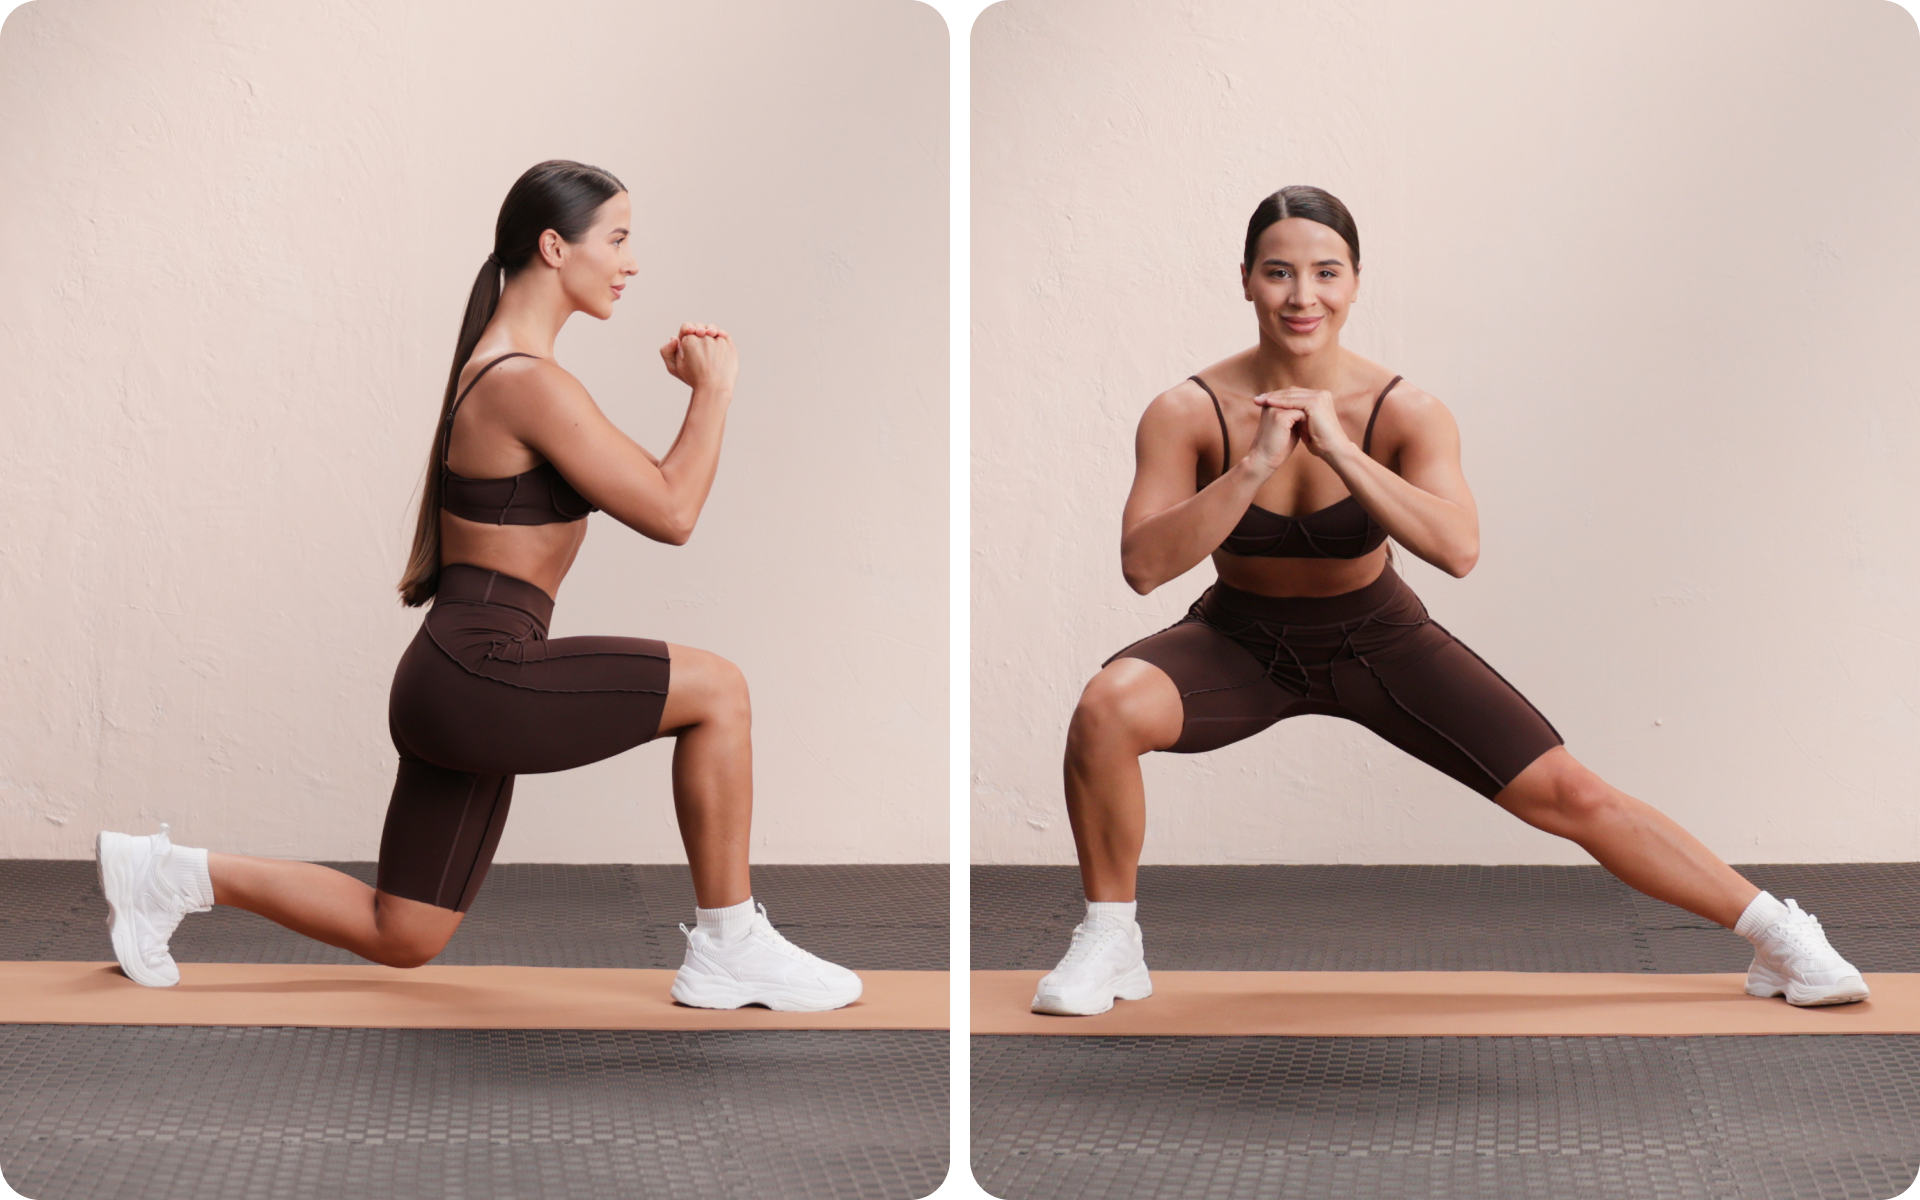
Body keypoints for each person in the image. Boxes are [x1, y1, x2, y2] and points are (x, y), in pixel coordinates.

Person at [1033, 185, 1866, 1016]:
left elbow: (1458, 550)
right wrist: (1252, 466)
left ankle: (1778, 934)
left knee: (1571, 795)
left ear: (1356, 282)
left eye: (1326, 272)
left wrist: (1338, 448)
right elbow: (1143, 565)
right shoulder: (1189, 411)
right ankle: (1113, 939)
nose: (1302, 296)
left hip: (1377, 641)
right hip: (1241, 643)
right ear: (1246, 280)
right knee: (1108, 707)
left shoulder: (1406, 410)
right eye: (1279, 272)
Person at [94, 159, 861, 1012]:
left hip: (454, 677)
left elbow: (655, 483)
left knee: (405, 932)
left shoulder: (517, 374)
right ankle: (730, 943)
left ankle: (165, 874)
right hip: (479, 668)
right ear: (552, 246)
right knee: (720, 691)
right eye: (617, 239)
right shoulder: (525, 381)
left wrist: (697, 398)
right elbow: (674, 513)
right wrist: (717, 392)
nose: (630, 262)